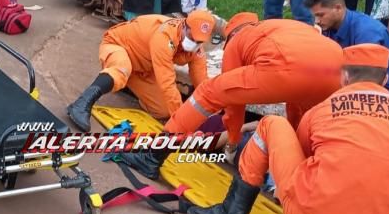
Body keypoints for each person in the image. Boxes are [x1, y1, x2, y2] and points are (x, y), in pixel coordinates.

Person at [187, 44, 389, 214]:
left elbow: (302, 159)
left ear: (344, 77)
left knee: (271, 124)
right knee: (383, 171)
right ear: (385, 79)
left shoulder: (322, 110)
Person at [116, 14, 344, 179]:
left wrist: (233, 142)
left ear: (231, 34)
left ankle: (152, 157)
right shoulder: (283, 26)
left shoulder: (239, 39)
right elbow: (296, 103)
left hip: (284, 66)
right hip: (336, 70)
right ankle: (301, 177)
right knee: (307, 121)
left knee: (208, 92)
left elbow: (233, 104)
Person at [66, 10, 216, 131]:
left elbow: (202, 82)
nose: (195, 43)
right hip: (119, 46)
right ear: (184, 25)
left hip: (143, 68)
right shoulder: (164, 36)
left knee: (163, 110)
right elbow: (167, 82)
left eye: (199, 41)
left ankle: (125, 84)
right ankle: (81, 104)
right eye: (192, 37)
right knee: (121, 70)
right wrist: (183, 123)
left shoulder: (196, 49)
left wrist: (215, 108)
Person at [305, 0, 389, 97]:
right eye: (314, 16)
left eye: (321, 15)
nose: (317, 21)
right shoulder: (328, 26)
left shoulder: (366, 31)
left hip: (382, 88)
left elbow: (368, 78)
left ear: (338, 8)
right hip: (349, 80)